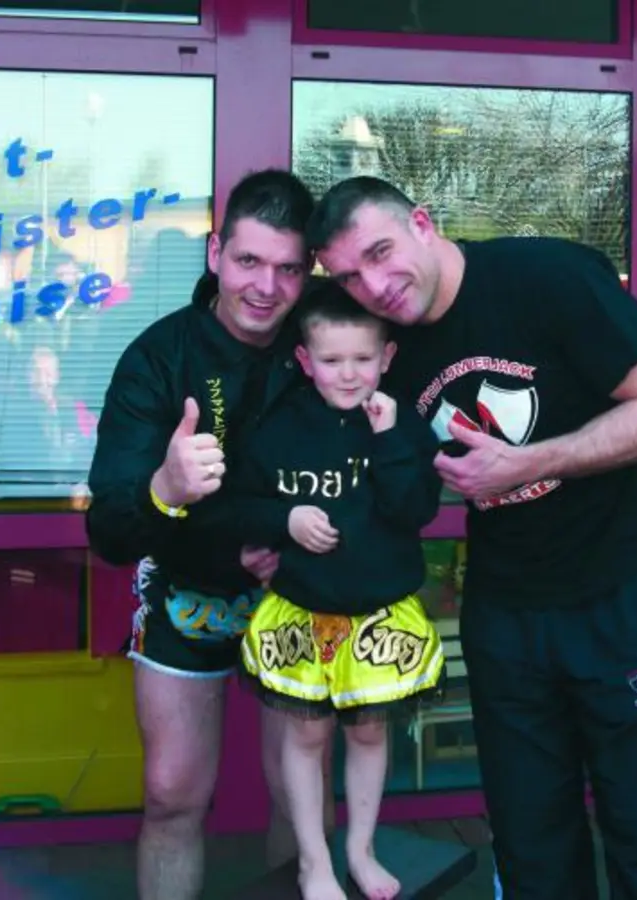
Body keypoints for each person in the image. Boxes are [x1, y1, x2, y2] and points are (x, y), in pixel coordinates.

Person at [307, 177, 637, 900]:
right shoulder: (387, 344)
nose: (373, 285)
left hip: (619, 587)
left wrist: (532, 461)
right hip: (506, 609)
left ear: (422, 223)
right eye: (348, 275)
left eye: (380, 252)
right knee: (529, 842)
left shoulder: (544, 276)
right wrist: (273, 525)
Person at [85, 169, 329, 900]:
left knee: (302, 799)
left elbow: (376, 473)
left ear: (308, 271)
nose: (266, 286)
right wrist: (165, 492)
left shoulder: (329, 349)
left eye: (288, 268)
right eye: (249, 261)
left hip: (296, 595)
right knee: (171, 796)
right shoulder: (157, 358)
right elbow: (108, 532)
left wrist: (293, 545)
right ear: (216, 251)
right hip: (186, 594)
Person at [231, 286, 445, 900]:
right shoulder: (279, 428)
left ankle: (361, 847)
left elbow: (415, 512)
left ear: (387, 356)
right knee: (306, 738)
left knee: (370, 733)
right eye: (331, 360)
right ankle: (312, 860)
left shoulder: (402, 424)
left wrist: (389, 439)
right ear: (305, 360)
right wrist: (285, 520)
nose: (348, 374)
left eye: (362, 359)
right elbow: (239, 503)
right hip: (303, 609)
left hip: (379, 614)